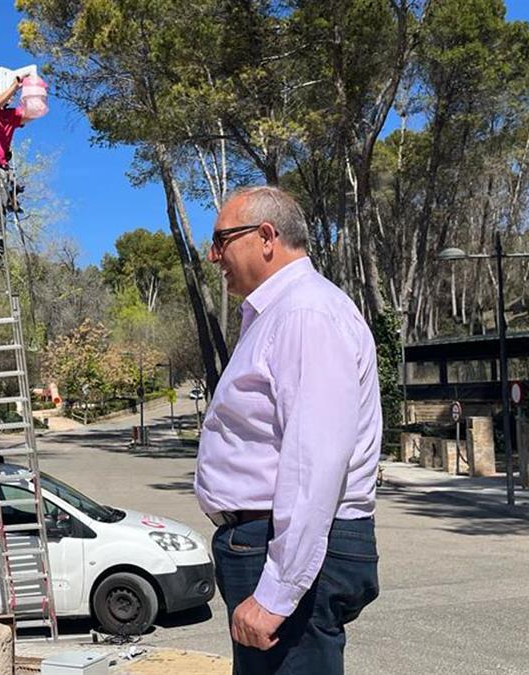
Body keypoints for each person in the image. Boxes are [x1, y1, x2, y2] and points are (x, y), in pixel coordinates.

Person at [195, 186, 382, 674]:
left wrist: (278, 592)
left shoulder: (304, 313)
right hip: (271, 544)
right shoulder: (280, 313)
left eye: (221, 240)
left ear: (265, 236)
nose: (214, 255)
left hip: (282, 550)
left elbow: (315, 461)